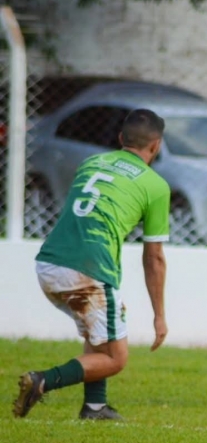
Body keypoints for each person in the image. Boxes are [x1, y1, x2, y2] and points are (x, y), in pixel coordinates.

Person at [12, 109, 171, 421]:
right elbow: (153, 257)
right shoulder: (156, 186)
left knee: (99, 332)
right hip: (88, 269)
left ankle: (95, 407)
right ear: (156, 146)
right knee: (115, 358)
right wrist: (160, 316)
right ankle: (42, 380)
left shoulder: (92, 162)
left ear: (121, 139)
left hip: (49, 263)